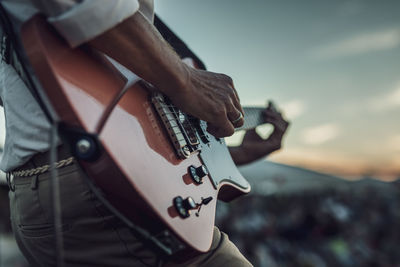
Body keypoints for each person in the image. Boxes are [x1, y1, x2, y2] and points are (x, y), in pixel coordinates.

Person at [0, 1, 288, 266]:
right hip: (99, 183)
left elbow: (157, 138)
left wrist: (237, 155)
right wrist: (185, 80)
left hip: (85, 182)